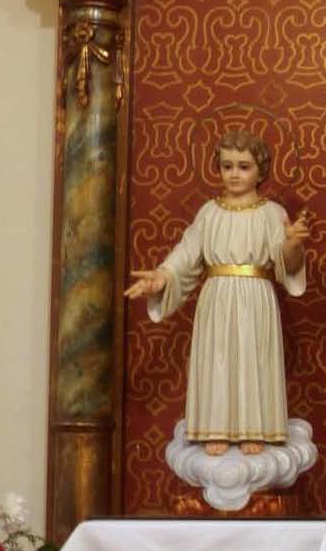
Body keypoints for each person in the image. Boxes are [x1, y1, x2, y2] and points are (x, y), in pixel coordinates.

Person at [125, 129, 310, 456]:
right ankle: (217, 426)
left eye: (243, 166)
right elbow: (186, 254)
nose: (234, 174)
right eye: (227, 166)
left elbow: (287, 264)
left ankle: (255, 427)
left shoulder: (272, 214)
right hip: (217, 298)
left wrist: (293, 243)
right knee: (218, 359)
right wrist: (162, 277)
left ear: (260, 171)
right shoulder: (209, 213)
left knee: (253, 357)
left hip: (256, 297)